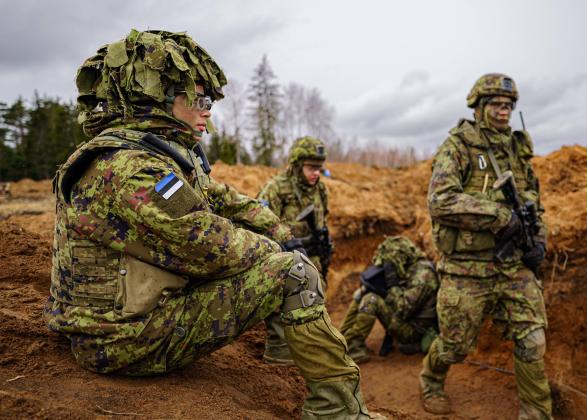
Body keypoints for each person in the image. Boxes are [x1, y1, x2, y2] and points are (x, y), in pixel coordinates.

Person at [43, 29, 377, 418]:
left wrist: (282, 233)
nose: (207, 110)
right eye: (198, 99)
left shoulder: (154, 155)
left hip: (122, 322)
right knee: (295, 275)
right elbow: (211, 249)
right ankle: (340, 413)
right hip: (122, 340)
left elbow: (223, 199)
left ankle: (286, 356)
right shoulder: (131, 167)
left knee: (285, 257)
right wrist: (279, 251)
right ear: (158, 100)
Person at [420, 73, 552, 419]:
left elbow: (534, 203)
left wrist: (539, 241)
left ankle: (536, 412)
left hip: (514, 266)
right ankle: (431, 379)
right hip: (467, 268)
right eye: (495, 104)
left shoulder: (518, 149)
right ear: (478, 107)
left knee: (532, 340)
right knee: (455, 346)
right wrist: (498, 215)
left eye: (508, 105)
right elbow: (440, 201)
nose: (503, 111)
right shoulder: (459, 146)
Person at [256, 136, 333, 364]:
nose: (316, 173)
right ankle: (279, 350)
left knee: (317, 300)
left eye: (319, 168)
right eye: (311, 168)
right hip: (285, 260)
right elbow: (261, 228)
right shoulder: (275, 189)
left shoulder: (320, 190)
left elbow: (323, 218)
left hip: (314, 260)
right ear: (297, 165)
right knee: (283, 302)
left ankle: (310, 346)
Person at [339, 236, 439, 363]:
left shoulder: (423, 276)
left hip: (414, 332)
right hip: (407, 321)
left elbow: (403, 309)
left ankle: (353, 348)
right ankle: (340, 340)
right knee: (364, 293)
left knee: (372, 300)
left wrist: (392, 285)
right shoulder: (410, 268)